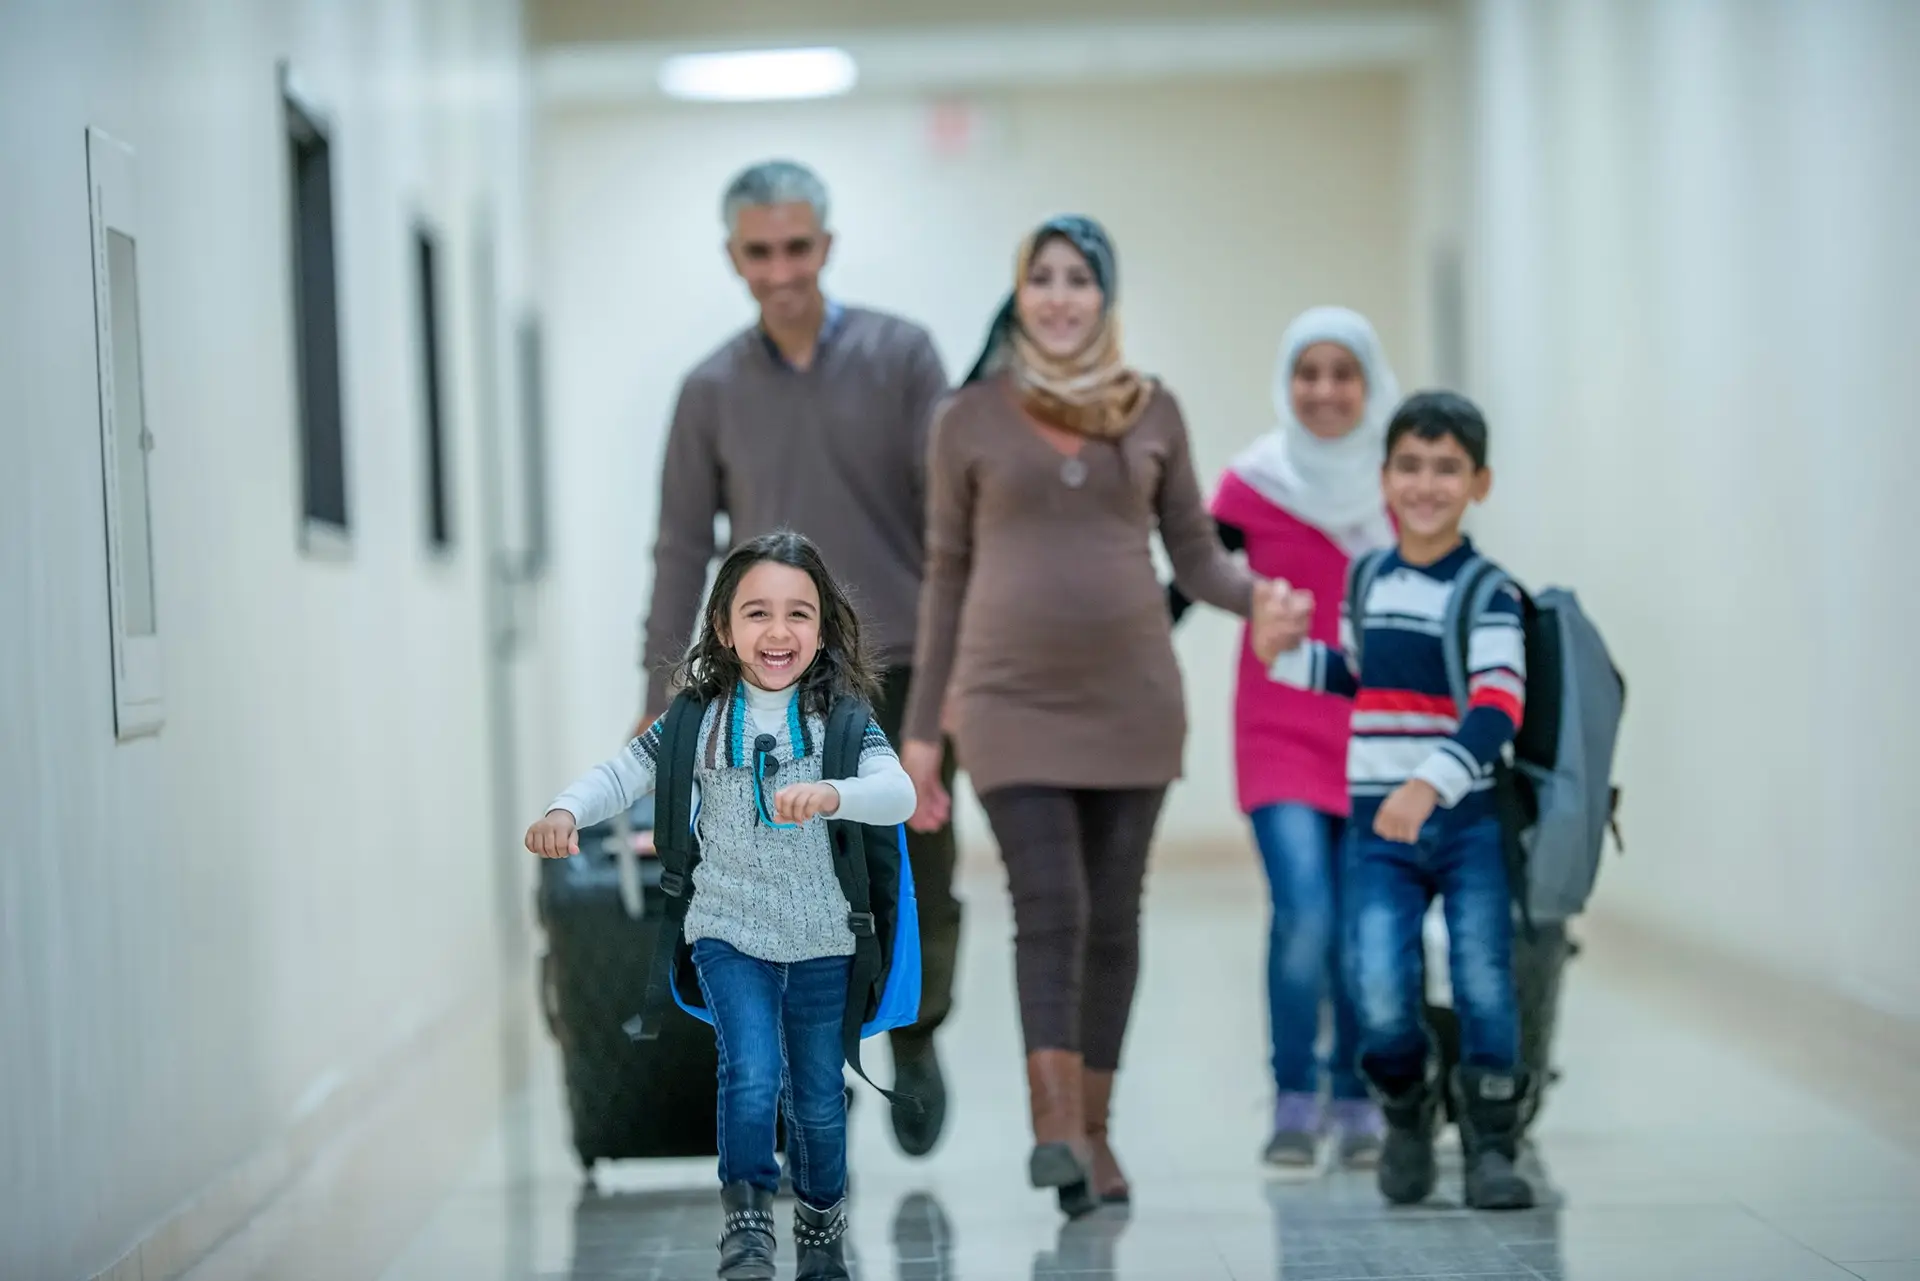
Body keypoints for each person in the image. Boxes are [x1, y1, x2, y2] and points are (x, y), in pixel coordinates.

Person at [897, 214, 1277, 1215]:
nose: (1061, 296)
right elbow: (944, 575)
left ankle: (1094, 1137)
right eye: (1043, 278)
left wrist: (1261, 598)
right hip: (1007, 701)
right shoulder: (966, 419)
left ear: (1105, 297)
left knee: (1115, 919)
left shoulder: (1152, 411)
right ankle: (1054, 1126)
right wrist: (924, 733)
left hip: (1133, 701)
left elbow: (1195, 555)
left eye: (1080, 279)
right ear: (1018, 294)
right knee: (1050, 908)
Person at [638, 159, 961, 1156]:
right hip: (771, 677)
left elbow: (954, 536)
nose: (780, 270)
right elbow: (681, 548)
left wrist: (940, 709)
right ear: (735, 257)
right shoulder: (708, 391)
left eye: (797, 248)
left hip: (898, 662)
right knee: (781, 884)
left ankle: (914, 1033)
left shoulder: (905, 360)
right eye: (758, 252)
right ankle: (822, 1080)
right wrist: (660, 705)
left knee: (916, 877)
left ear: (826, 245)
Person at [530, 532, 918, 1280]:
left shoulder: (841, 720)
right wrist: (565, 810)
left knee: (816, 1094)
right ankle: (746, 1229)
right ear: (723, 627)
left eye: (799, 614)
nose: (778, 632)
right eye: (758, 612)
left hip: (824, 937)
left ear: (825, 627)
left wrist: (837, 792)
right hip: (728, 931)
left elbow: (896, 791)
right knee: (749, 1069)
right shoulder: (695, 723)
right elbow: (621, 774)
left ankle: (820, 1227)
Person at [1251, 390, 1536, 1211]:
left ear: (1478, 483)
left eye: (1447, 468)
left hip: (1466, 820)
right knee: (1375, 977)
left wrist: (1428, 784)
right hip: (1380, 825)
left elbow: (1497, 705)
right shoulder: (1369, 576)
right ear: (1384, 478)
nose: (1426, 483)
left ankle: (1490, 1144)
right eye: (1410, 465)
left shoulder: (1489, 592)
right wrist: (1283, 656)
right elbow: (1357, 676)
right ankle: (1406, 1116)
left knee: (1483, 978)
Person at [1169, 307, 1398, 1169]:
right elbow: (1189, 581)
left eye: (1345, 372)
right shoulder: (1254, 482)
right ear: (1286, 381)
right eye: (1309, 371)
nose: (1326, 390)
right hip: (1280, 726)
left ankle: (1357, 1091)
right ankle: (1295, 1093)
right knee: (1305, 911)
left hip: (1382, 729)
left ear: (1369, 384)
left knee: (1357, 924)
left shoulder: (1396, 483)